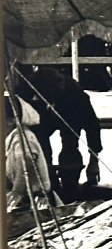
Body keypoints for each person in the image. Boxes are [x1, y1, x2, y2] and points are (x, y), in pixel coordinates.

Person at [17, 66, 103, 203]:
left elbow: (92, 126)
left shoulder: (77, 94)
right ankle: (50, 188)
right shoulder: (28, 87)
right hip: (41, 116)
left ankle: (70, 189)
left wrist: (94, 161)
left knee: (70, 148)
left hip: (69, 111)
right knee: (41, 149)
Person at [5, 95, 57, 212]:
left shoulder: (23, 137)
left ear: (11, 120)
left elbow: (27, 160)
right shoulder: (9, 139)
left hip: (36, 202)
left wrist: (17, 192)